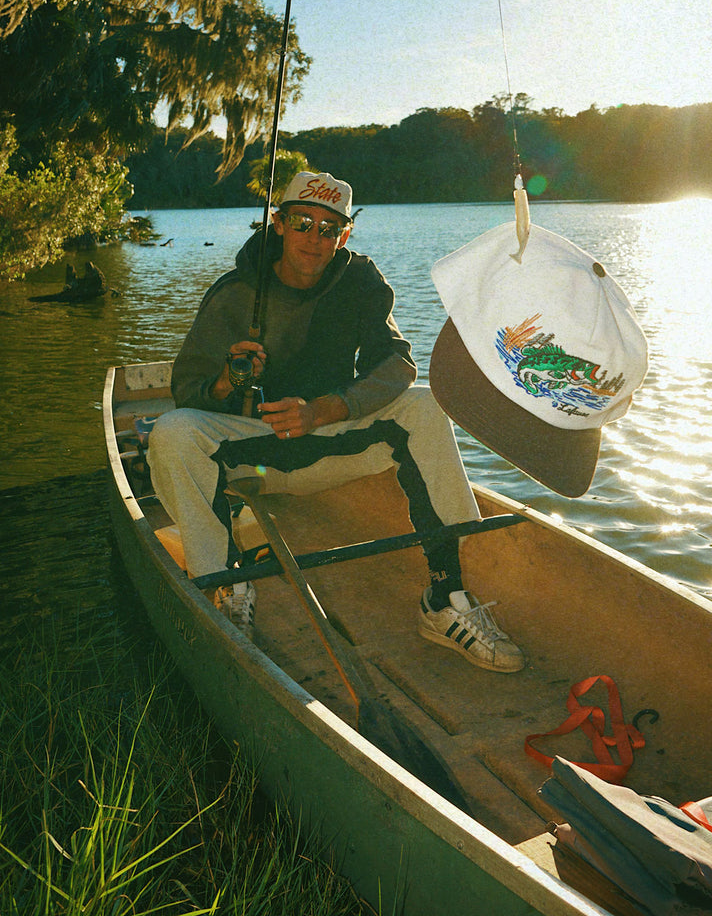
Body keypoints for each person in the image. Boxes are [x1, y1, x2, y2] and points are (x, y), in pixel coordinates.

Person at [148, 170, 523, 673]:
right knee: (172, 434)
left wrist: (324, 410)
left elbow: (397, 363)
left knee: (425, 404)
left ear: (344, 234)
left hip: (332, 440)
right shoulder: (233, 292)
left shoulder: (361, 282)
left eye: (329, 228)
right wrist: (227, 381)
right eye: (302, 222)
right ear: (277, 224)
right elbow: (186, 392)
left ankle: (445, 598)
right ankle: (226, 584)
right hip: (253, 455)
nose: (314, 238)